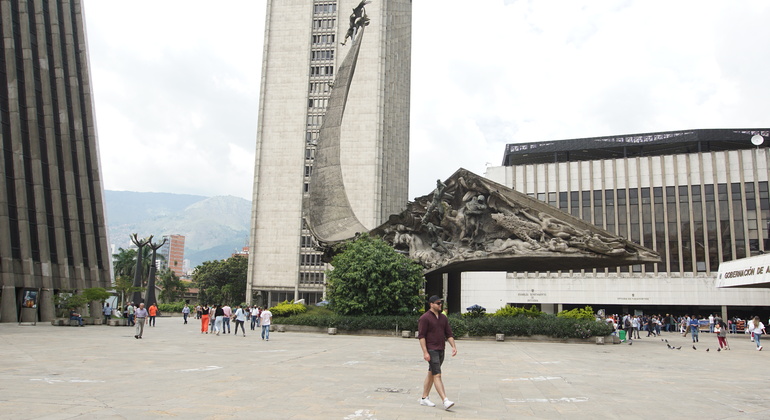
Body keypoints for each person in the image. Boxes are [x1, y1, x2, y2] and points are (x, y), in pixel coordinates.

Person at [418, 295, 457, 411]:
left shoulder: (443, 318)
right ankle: (445, 400)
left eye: (441, 303)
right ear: (431, 304)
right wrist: (425, 352)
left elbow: (448, 333)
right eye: (438, 303)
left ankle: (424, 398)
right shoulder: (425, 318)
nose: (440, 305)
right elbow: (421, 336)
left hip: (441, 349)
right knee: (437, 374)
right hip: (432, 350)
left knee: (432, 373)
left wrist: (453, 346)